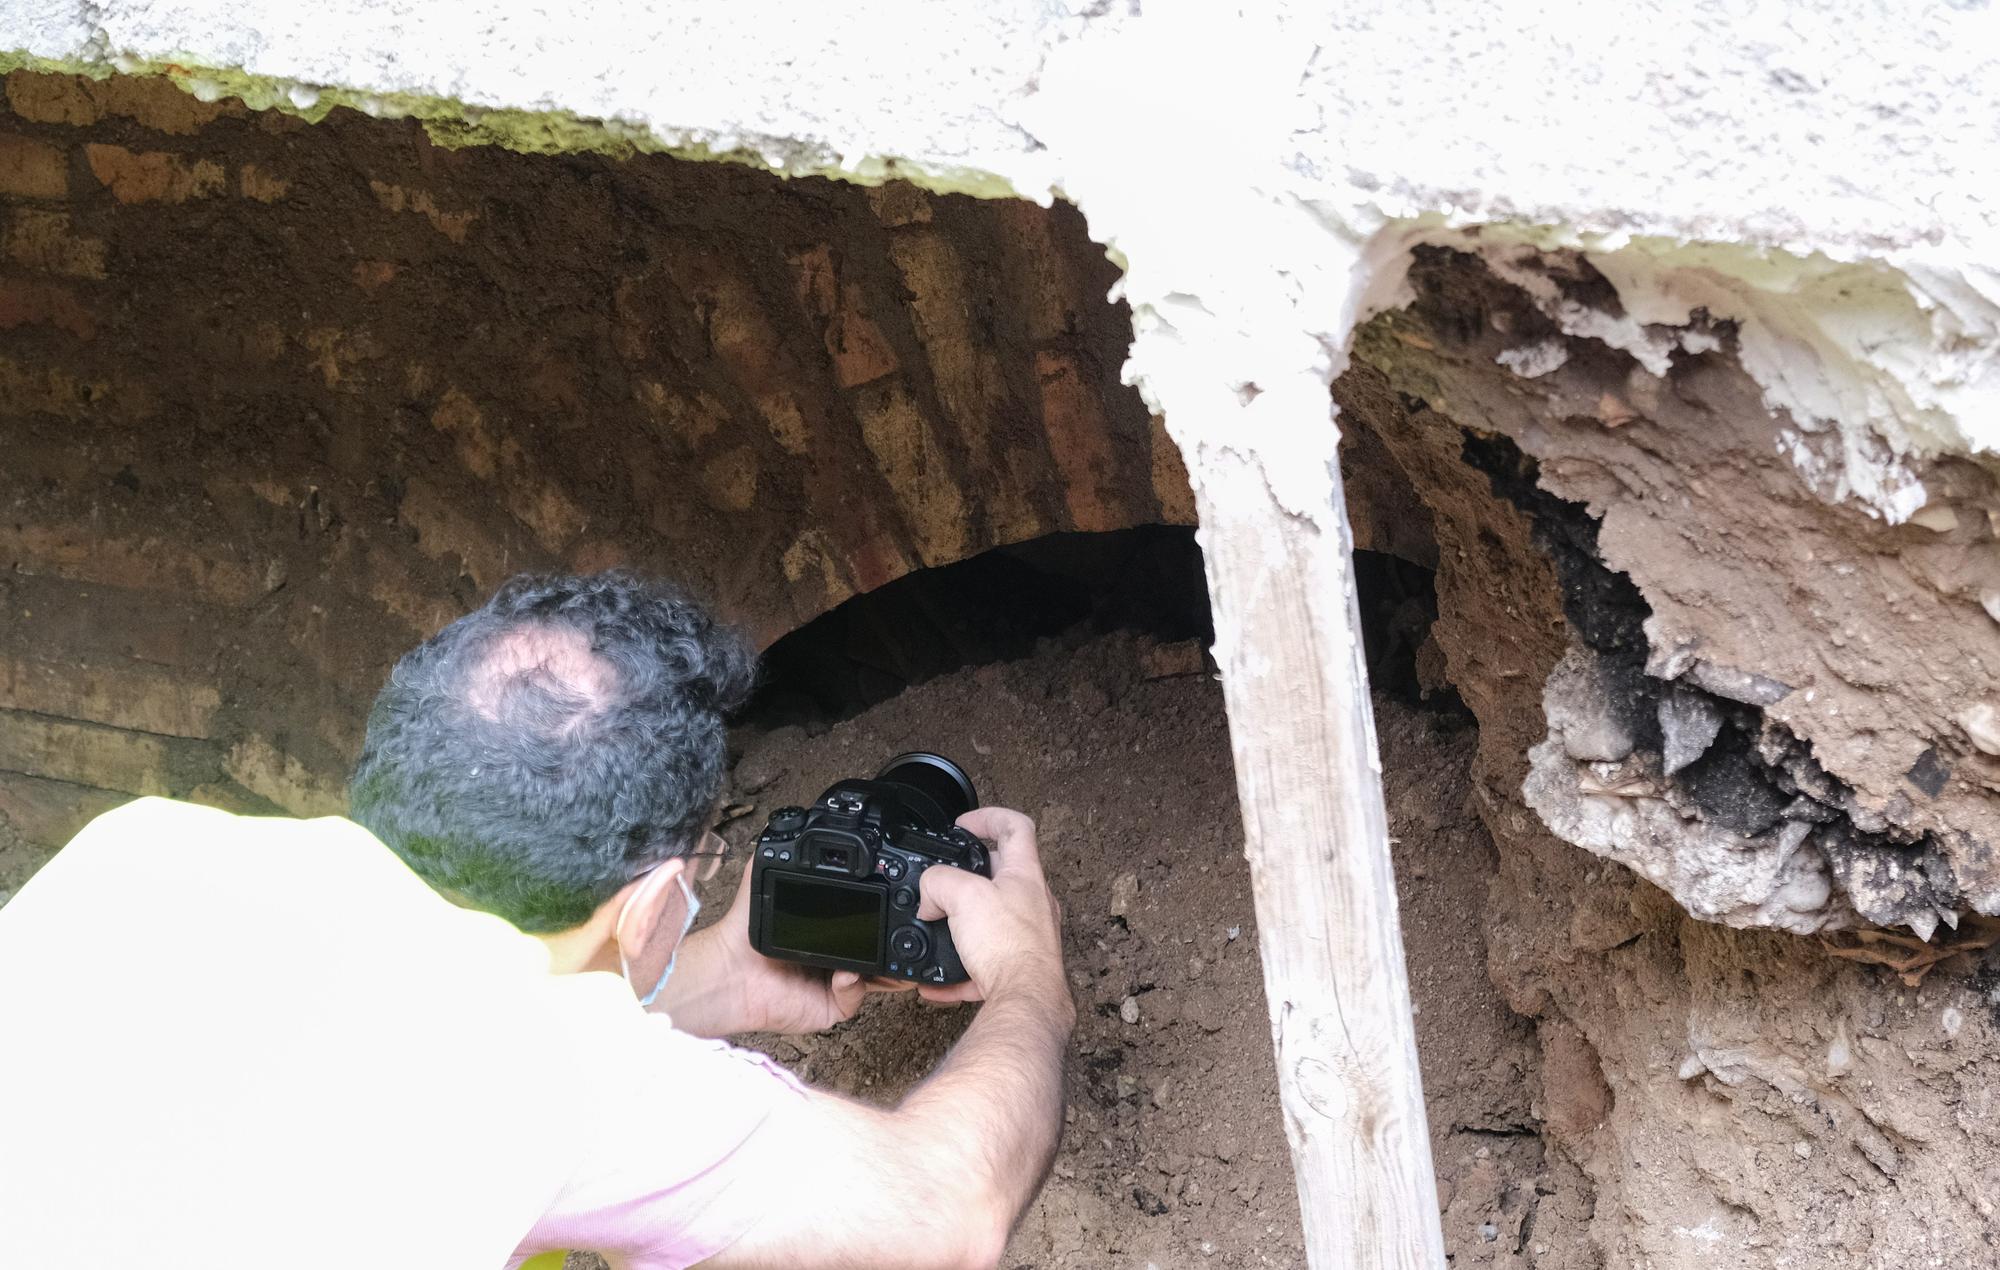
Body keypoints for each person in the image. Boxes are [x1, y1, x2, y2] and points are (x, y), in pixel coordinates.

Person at [0, 571, 1074, 1270]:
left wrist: (712, 979)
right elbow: (948, 1211)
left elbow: (415, 1040)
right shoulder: (552, 1077)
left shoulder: (144, 848)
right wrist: (1030, 979)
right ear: (654, 900)